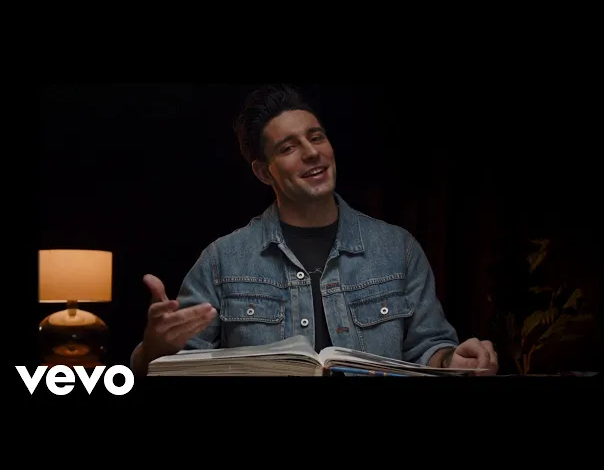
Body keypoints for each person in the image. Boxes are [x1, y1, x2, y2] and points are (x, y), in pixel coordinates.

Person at [130, 84, 499, 376]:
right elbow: (175, 367)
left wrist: (454, 361)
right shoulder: (221, 261)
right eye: (289, 147)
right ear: (264, 172)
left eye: (317, 137)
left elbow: (428, 349)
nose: (311, 152)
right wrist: (154, 349)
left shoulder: (397, 248)